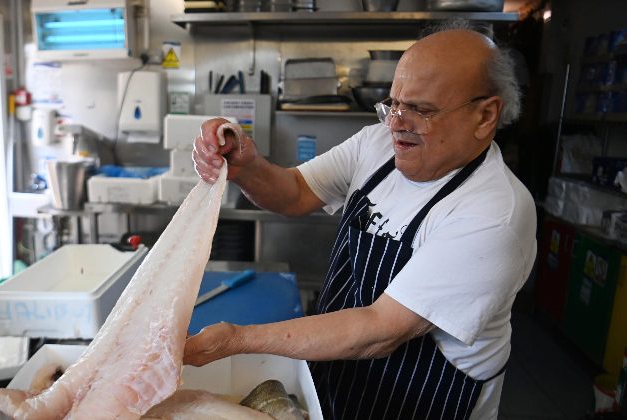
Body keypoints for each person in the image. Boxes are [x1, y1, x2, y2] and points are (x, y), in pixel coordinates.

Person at [186, 21, 536, 420]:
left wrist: (236, 340)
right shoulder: (377, 146)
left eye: (420, 109)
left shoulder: (494, 215)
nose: (397, 122)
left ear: (485, 115)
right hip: (341, 378)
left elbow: (380, 329)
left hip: (422, 403)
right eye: (394, 104)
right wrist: (246, 166)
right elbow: (296, 192)